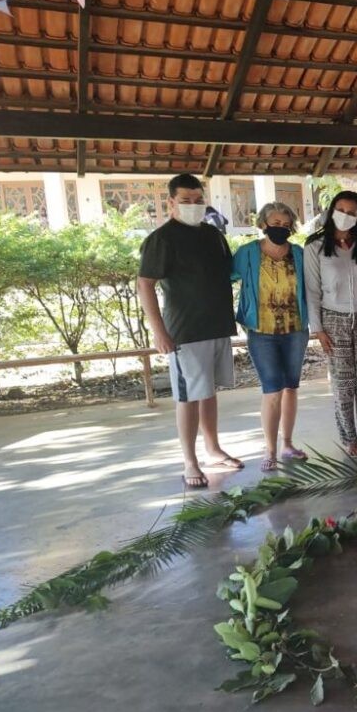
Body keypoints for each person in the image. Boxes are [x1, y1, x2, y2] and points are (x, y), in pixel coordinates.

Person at [137, 173, 240, 489]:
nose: (193, 206)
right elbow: (145, 284)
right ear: (171, 203)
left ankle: (213, 449)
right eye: (185, 202)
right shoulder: (162, 239)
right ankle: (190, 461)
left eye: (198, 201)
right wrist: (160, 331)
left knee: (208, 392)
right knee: (188, 397)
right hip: (185, 331)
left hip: (217, 325)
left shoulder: (213, 234)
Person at [233, 202, 309, 472]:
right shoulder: (248, 253)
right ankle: (270, 449)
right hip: (261, 332)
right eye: (274, 222)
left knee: (291, 387)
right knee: (272, 389)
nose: (280, 227)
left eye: (285, 222)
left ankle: (287, 444)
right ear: (263, 224)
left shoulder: (299, 254)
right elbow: (224, 277)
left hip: (295, 330)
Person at [304, 191, 357, 457]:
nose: (345, 216)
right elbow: (312, 291)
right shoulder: (314, 246)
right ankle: (349, 438)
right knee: (343, 384)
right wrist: (318, 329)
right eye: (341, 209)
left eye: (352, 212)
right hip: (333, 320)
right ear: (332, 210)